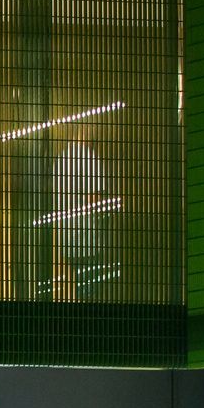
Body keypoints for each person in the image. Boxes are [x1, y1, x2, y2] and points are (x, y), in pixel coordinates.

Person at [52, 118, 113, 299]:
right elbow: (93, 199)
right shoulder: (88, 158)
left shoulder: (61, 160)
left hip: (67, 237)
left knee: (78, 283)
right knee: (92, 288)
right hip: (87, 237)